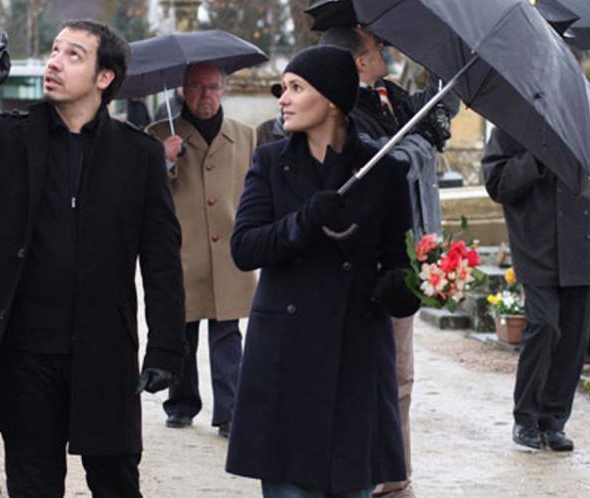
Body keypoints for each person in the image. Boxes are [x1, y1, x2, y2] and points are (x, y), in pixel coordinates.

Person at [0, 21, 185, 497]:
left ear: (104, 77)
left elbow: (162, 260)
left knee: (116, 481)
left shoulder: (138, 154)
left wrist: (165, 348)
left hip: (104, 352)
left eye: (73, 54)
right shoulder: (9, 134)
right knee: (33, 484)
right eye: (54, 50)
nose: (54, 62)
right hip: (24, 353)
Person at [225, 45, 419, 498]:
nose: (283, 99)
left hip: (355, 358)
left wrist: (400, 288)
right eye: (283, 89)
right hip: (286, 357)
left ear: (331, 100)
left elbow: (400, 262)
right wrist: (303, 221)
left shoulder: (384, 172)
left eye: (296, 88)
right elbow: (245, 248)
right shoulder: (270, 162)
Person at [320, 26, 457, 498]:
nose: (387, 49)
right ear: (360, 61)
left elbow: (437, 111)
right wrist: (418, 143)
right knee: (375, 374)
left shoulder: (392, 98)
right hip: (372, 257)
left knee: (401, 375)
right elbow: (383, 164)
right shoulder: (342, 109)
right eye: (377, 46)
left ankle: (396, 475)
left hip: (407, 253)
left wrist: (446, 58)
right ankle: (372, 473)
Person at [482, 127, 590, 452]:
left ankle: (553, 422)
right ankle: (526, 418)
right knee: (543, 325)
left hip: (583, 244)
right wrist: (536, 159)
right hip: (536, 244)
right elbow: (497, 183)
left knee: (573, 338)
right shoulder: (518, 118)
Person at [146, 62, 257, 438]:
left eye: (213, 87)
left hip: (230, 250)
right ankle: (181, 403)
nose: (205, 95)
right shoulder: (158, 135)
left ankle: (230, 410)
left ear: (224, 90)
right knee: (181, 331)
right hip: (182, 250)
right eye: (196, 87)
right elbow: (141, 191)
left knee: (228, 333)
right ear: (182, 91)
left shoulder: (245, 136)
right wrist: (163, 160)